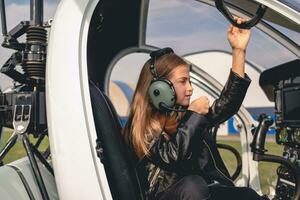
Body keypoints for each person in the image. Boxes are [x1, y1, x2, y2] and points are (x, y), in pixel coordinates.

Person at [123, 17, 265, 200]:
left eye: (189, 81)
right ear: (160, 89)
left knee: (248, 195)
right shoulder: (142, 128)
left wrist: (239, 50)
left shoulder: (181, 117)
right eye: (183, 81)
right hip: (168, 196)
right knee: (193, 185)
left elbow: (226, 106)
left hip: (196, 192)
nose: (190, 88)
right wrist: (194, 114)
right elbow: (171, 156)